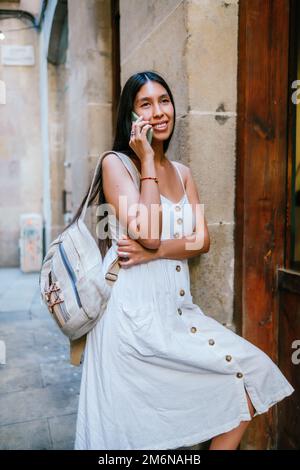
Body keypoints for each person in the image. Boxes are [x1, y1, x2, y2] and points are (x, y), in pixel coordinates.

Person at [74, 70, 294, 450]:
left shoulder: (183, 173)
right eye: (145, 104)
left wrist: (151, 252)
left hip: (177, 312)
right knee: (131, 432)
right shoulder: (116, 164)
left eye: (164, 100)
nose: (159, 111)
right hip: (131, 321)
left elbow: (202, 240)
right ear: (131, 115)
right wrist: (145, 159)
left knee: (249, 375)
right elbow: (148, 229)